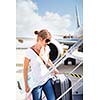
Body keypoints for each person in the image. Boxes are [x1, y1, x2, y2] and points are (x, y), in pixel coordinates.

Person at [23, 29, 59, 100]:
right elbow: (25, 70)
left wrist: (54, 68)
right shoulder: (29, 52)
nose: (48, 43)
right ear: (40, 39)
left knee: (52, 99)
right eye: (47, 41)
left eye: (49, 41)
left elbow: (47, 60)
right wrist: (26, 85)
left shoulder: (47, 48)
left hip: (46, 79)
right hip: (36, 83)